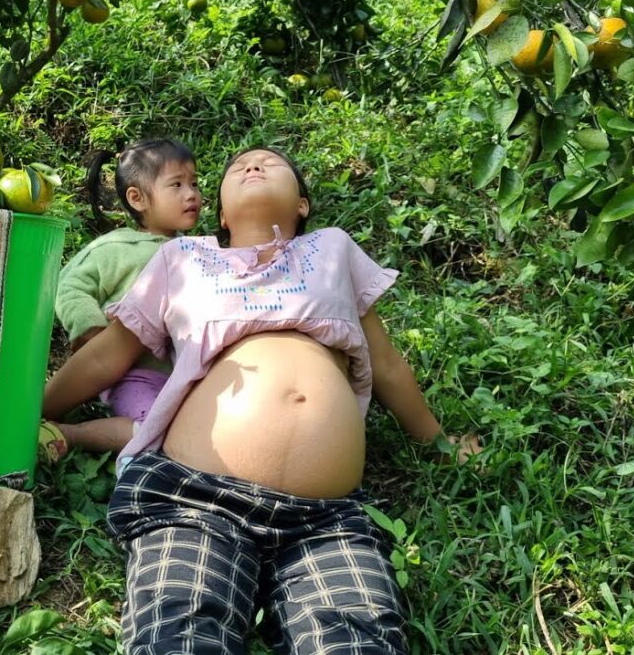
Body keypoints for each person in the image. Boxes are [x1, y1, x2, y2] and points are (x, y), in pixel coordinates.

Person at [42, 146, 481, 653]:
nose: (252, 166)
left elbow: (385, 365)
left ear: (302, 206)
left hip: (327, 519)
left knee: (357, 644)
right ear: (222, 215)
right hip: (194, 498)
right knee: (178, 637)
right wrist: (31, 413)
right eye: (236, 167)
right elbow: (106, 357)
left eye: (270, 163)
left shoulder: (334, 251)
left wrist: (440, 441)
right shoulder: (182, 258)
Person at [38, 139, 201, 463]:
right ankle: (70, 433)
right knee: (157, 429)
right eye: (177, 184)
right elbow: (70, 286)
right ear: (137, 198)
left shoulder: (197, 251)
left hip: (183, 378)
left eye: (194, 183)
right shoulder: (116, 248)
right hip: (133, 375)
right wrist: (91, 330)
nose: (192, 194)